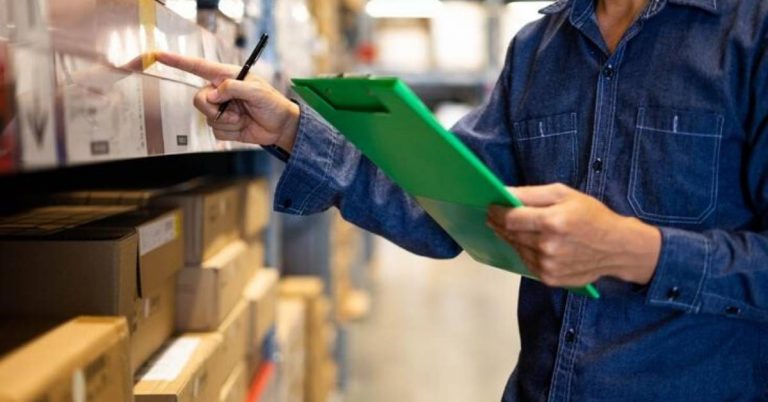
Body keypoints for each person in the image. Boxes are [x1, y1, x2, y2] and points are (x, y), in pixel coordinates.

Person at [157, 0, 768, 399]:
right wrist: (290, 127)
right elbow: (443, 208)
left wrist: (636, 250)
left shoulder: (751, 34)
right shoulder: (539, 49)